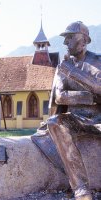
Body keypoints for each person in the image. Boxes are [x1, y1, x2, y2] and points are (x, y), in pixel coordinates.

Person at [47, 21, 101, 200]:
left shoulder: (97, 62)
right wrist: (89, 97)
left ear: (83, 41)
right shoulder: (63, 65)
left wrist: (72, 72)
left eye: (69, 38)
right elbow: (60, 97)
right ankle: (81, 189)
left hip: (99, 118)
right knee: (55, 123)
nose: (65, 43)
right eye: (65, 38)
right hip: (75, 118)